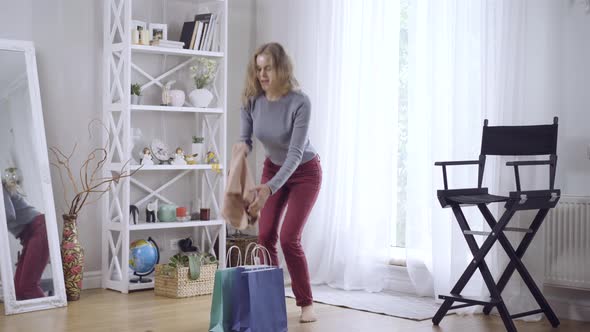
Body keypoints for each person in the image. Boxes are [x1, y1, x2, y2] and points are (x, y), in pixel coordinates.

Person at [237, 42, 322, 323]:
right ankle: (272, 300)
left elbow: (296, 154)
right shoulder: (252, 100)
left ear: (281, 69)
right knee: (265, 236)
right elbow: (245, 138)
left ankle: (306, 303)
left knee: (288, 238)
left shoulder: (300, 102)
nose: (262, 75)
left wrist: (269, 188)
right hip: (272, 168)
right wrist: (242, 151)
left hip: (305, 172)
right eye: (258, 69)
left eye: (268, 68)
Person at [2, 181, 49, 300]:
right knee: (18, 289)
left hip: (39, 229)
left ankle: (51, 316)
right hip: (28, 235)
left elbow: (8, 214)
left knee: (28, 287)